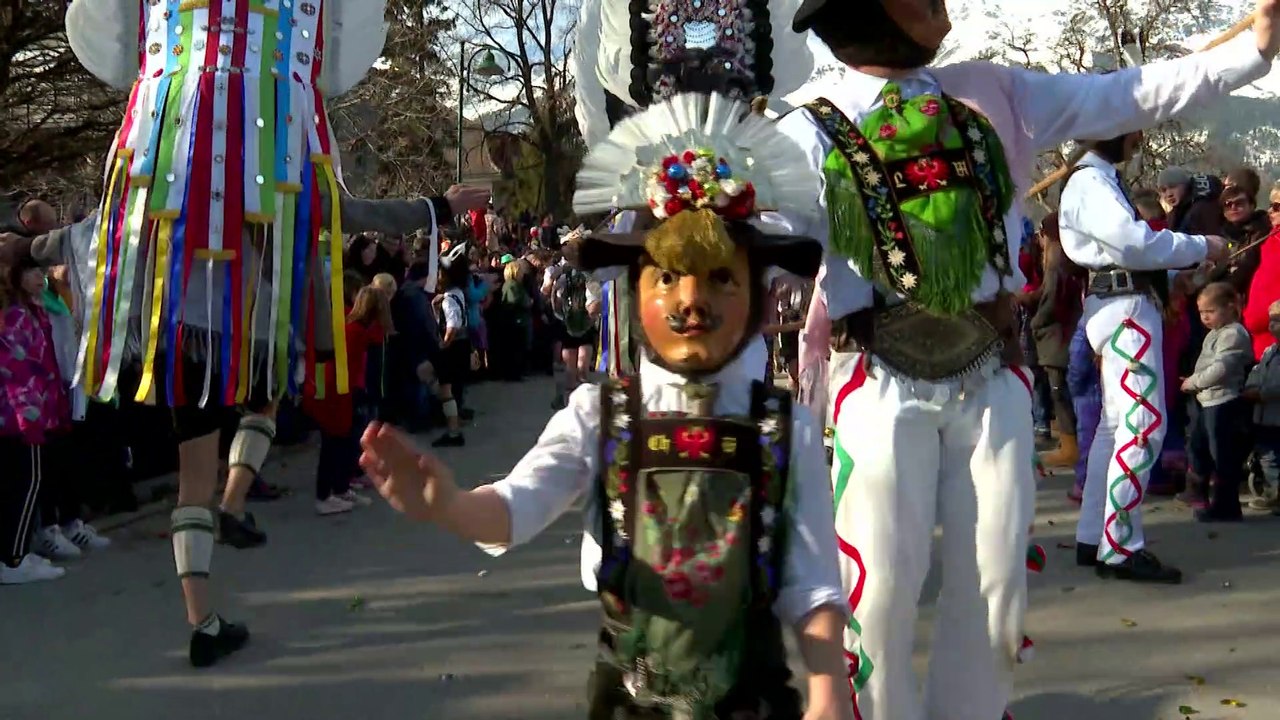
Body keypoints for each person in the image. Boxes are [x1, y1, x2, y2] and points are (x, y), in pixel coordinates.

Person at [782, 1, 1279, 717]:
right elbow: (754, 235)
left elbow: (1126, 93)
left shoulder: (992, 92)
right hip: (877, 380)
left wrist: (1252, 53)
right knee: (881, 586)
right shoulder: (805, 126)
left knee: (994, 586)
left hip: (992, 376)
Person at [12, 0, 491, 667]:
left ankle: (202, 616)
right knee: (269, 397)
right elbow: (345, 213)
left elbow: (91, 230)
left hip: (175, 341)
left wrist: (24, 250)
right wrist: (438, 205)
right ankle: (231, 512)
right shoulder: (270, 175)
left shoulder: (152, 185)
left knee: (193, 479)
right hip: (240, 337)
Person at [364, 90, 851, 720]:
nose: (691, 300)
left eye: (721, 276)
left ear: (757, 293)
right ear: (636, 290)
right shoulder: (599, 416)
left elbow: (811, 583)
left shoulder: (786, 431)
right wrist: (450, 505)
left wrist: (827, 689)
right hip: (630, 702)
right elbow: (517, 507)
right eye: (669, 276)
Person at [0, 250, 73, 584]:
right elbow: (16, 370)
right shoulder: (14, 317)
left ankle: (20, 553)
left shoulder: (36, 311)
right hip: (19, 415)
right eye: (29, 271)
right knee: (26, 483)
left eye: (39, 270)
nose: (38, 277)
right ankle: (12, 560)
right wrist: (29, 415)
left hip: (35, 409)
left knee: (26, 483)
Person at [1179, 282, 1253, 521]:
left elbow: (1221, 368)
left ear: (1230, 308)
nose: (1205, 317)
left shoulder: (1233, 333)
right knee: (1199, 448)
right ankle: (1199, 490)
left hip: (1224, 402)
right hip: (1207, 401)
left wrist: (1194, 382)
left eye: (1210, 311)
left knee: (1223, 456)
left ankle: (1227, 506)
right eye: (1201, 312)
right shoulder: (1214, 333)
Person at [1031, 213, 1084, 468]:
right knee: (1062, 391)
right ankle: (1069, 441)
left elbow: (1050, 300)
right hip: (1065, 333)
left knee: (1059, 392)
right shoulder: (1070, 260)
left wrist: (1036, 323)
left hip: (1058, 336)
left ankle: (1070, 446)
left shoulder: (1057, 263)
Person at [429, 245, 472, 448]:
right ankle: (454, 425)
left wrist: (443, 343)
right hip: (462, 345)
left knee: (445, 390)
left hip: (453, 347)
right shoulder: (458, 293)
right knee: (450, 389)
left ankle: (453, 431)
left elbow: (453, 325)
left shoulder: (448, 299)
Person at [1243, 299, 1280, 514]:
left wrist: (1263, 393)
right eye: (1271, 321)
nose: (1272, 325)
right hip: (1265, 416)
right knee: (1268, 456)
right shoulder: (1269, 351)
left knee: (1274, 457)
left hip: (1275, 410)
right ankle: (1274, 492)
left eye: (1277, 321)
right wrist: (1251, 387)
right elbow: (1256, 372)